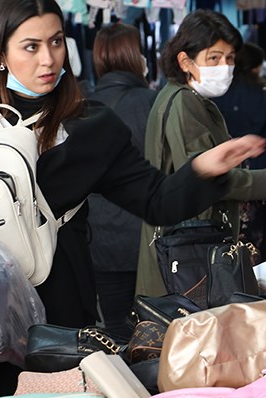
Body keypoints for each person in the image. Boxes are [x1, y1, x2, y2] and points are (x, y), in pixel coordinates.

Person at [0, 0, 266, 396]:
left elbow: (157, 200)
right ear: (2, 53)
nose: (49, 58)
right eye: (31, 46)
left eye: (56, 42)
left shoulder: (90, 123)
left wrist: (204, 169)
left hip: (57, 311)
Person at [136, 10, 266, 298]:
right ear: (185, 61)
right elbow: (202, 178)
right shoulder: (184, 103)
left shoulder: (192, 99)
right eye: (214, 58)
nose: (225, 66)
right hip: (184, 258)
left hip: (189, 251)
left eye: (230, 58)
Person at [86, 23, 157, 340]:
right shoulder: (152, 103)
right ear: (135, 57)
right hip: (147, 235)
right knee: (157, 326)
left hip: (97, 239)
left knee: (115, 328)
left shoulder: (81, 106)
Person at [213, 42, 266, 260]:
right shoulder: (263, 89)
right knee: (265, 230)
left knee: (233, 230)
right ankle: (264, 271)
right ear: (255, 66)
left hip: (228, 170)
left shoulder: (216, 91)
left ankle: (235, 270)